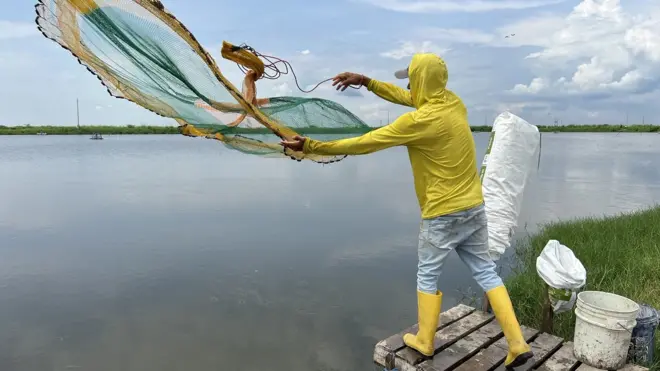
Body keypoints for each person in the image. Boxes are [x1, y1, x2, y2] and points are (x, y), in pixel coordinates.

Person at [280, 53, 533, 368]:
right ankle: (517, 343)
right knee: (485, 271)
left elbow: (366, 142)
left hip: (442, 212)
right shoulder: (454, 103)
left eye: (412, 80)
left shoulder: (417, 123)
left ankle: (425, 341)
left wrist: (312, 147)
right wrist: (368, 82)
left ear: (422, 82)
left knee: (427, 274)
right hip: (473, 207)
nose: (410, 87)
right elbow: (408, 96)